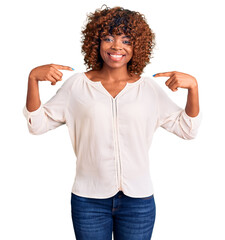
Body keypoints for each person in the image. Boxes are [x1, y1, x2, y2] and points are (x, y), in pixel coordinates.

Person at [23, 5, 202, 240]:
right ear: (95, 42)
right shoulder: (78, 86)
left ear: (136, 46)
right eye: (108, 38)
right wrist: (33, 79)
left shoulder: (147, 89)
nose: (117, 46)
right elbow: (37, 125)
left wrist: (194, 89)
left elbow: (187, 129)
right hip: (89, 200)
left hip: (138, 202)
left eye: (126, 40)